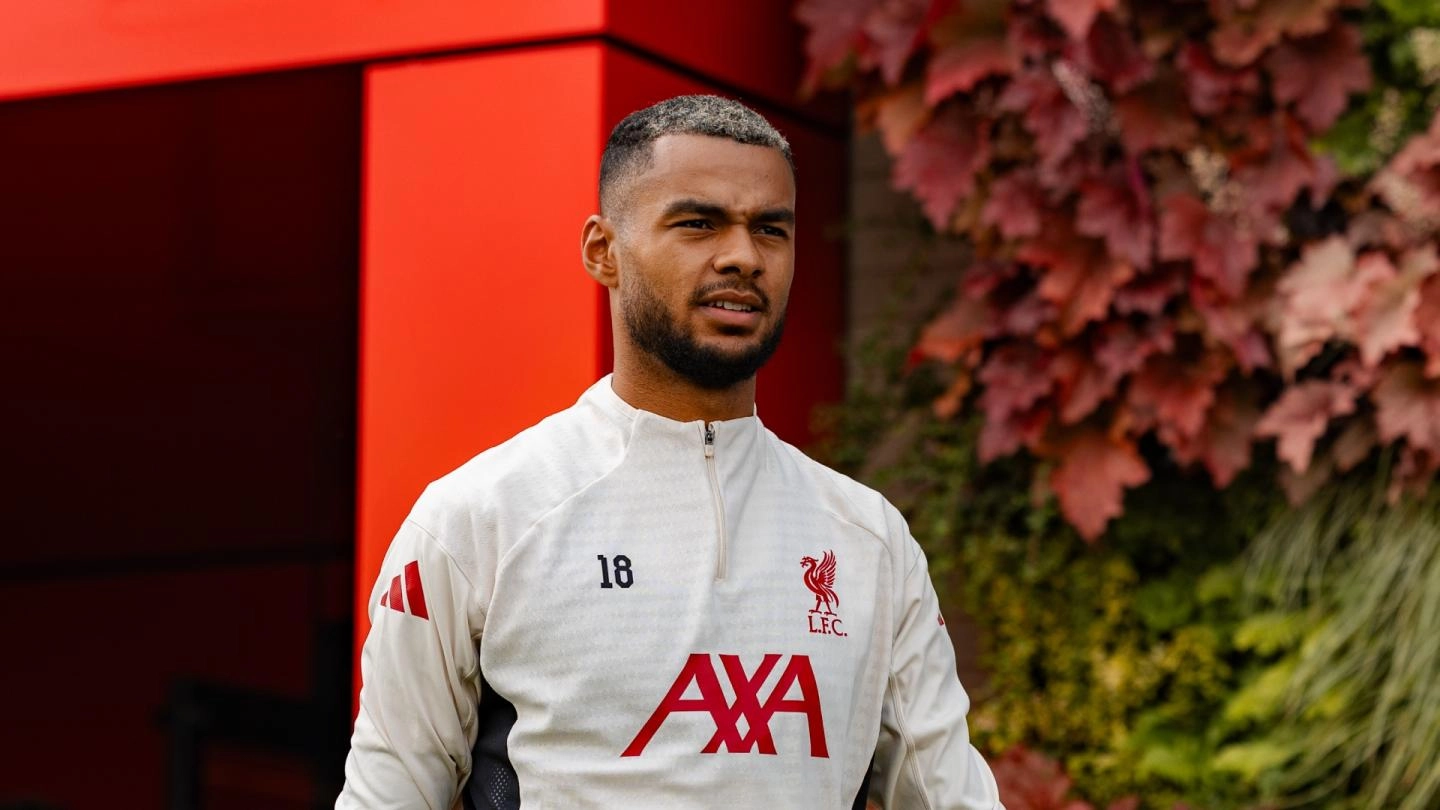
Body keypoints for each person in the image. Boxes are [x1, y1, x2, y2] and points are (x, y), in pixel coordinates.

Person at [337, 95, 1003, 810]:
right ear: (604, 251)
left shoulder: (869, 540)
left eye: (770, 229)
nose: (743, 257)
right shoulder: (479, 518)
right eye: (698, 223)